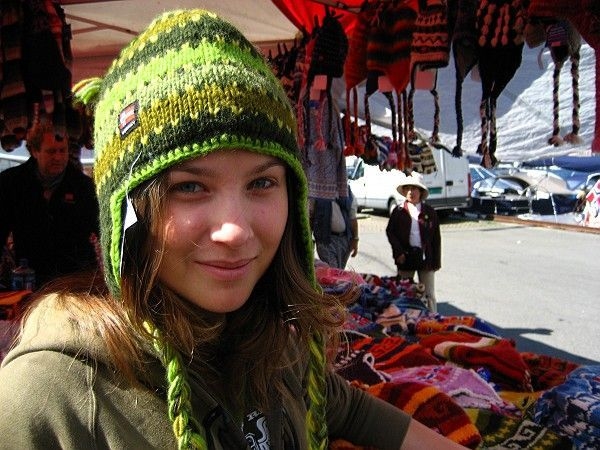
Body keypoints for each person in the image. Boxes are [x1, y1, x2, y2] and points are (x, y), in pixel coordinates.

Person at [0, 9, 466, 449]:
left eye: (261, 183)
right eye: (190, 187)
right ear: (127, 214)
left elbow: (349, 408)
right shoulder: (48, 397)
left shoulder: (275, 349)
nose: (236, 231)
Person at [0, 121, 99, 288]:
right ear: (34, 151)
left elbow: (101, 231)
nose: (58, 157)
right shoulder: (11, 183)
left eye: (62, 150)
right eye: (51, 151)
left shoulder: (84, 187)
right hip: (30, 282)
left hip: (75, 283)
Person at [386, 172, 441, 312]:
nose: (411, 192)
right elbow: (390, 232)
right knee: (404, 292)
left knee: (429, 294)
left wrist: (436, 262)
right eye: (408, 188)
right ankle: (404, 319)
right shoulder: (398, 211)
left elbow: (436, 239)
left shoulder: (430, 212)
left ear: (421, 192)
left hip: (426, 259)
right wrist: (398, 252)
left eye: (414, 188)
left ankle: (433, 319)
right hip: (405, 258)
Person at [310, 185, 359, 269]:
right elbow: (311, 217)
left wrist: (355, 239)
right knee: (332, 269)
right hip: (325, 241)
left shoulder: (348, 193)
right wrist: (308, 238)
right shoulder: (317, 191)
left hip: (345, 240)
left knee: (340, 270)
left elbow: (353, 218)